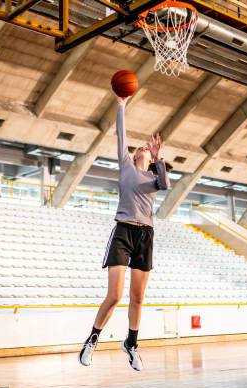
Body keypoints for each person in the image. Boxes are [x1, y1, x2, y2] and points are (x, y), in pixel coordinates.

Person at [79, 94, 170, 370]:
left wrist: (159, 158)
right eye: (141, 147)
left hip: (146, 235)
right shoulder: (126, 166)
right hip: (123, 231)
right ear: (133, 155)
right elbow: (121, 135)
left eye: (147, 149)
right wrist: (120, 105)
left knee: (138, 297)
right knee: (116, 295)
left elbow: (165, 184)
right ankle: (92, 339)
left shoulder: (153, 179)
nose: (143, 148)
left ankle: (131, 343)